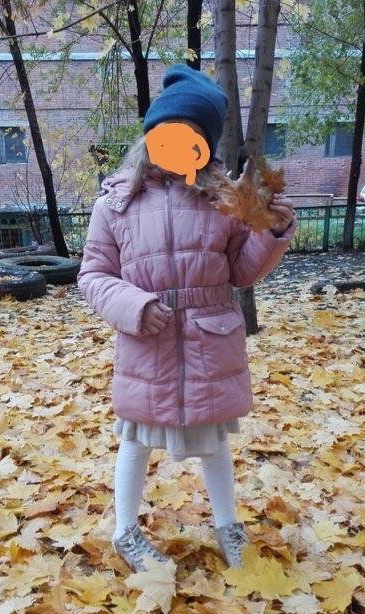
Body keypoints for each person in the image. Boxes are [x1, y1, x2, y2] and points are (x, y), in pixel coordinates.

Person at [77, 64, 297, 573]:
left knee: (214, 442)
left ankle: (227, 525)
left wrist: (271, 233)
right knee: (135, 440)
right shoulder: (116, 203)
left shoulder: (224, 200)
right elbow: (93, 274)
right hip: (147, 342)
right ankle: (125, 531)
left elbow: (241, 270)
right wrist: (133, 305)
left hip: (209, 341)